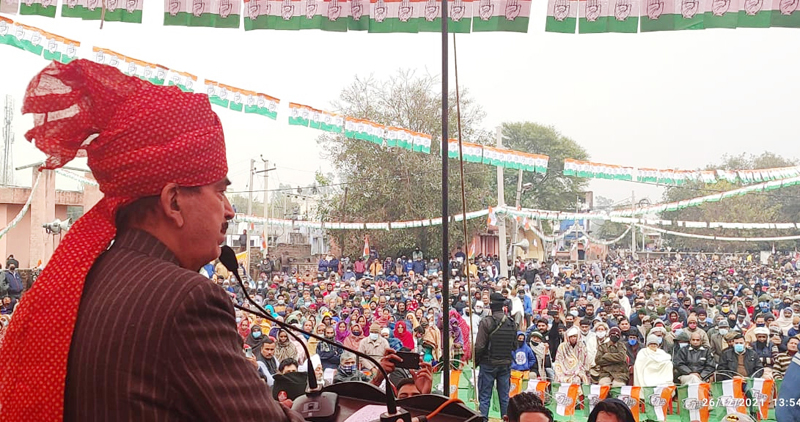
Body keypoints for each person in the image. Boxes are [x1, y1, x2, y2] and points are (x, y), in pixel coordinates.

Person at [0, 60, 304, 421]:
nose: (229, 211)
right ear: (173, 201)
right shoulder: (188, 300)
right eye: (220, 191)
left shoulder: (83, 280)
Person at [475, 292, 518, 422]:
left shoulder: (486, 322)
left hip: (488, 363)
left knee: (484, 397)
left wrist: (476, 361)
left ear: (491, 306)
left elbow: (479, 346)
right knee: (504, 397)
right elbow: (514, 346)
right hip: (505, 363)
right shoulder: (511, 323)